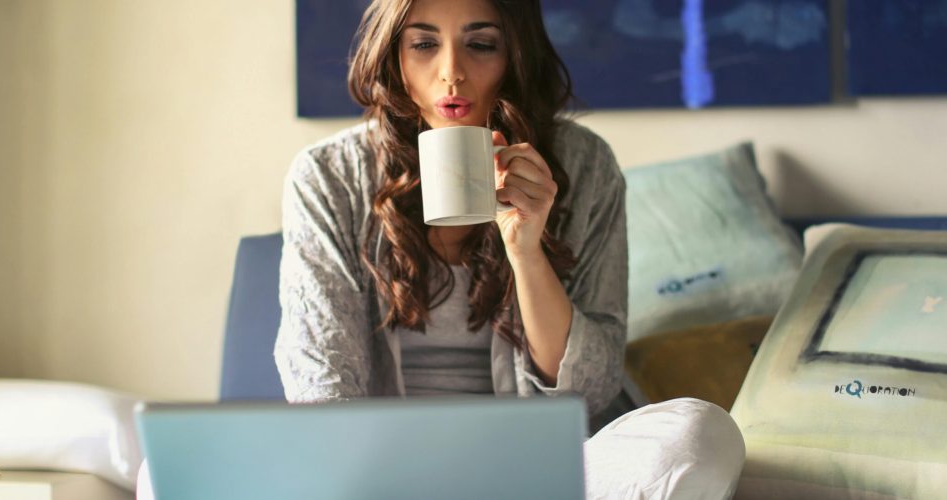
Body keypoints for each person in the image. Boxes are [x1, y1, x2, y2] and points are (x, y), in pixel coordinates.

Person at [138, 0, 743, 498]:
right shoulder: (328, 176)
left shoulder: (584, 167)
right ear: (394, 57)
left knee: (698, 434)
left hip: (535, 468)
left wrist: (526, 249)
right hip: (376, 470)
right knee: (166, 475)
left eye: (480, 44)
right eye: (424, 44)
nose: (452, 72)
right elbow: (321, 381)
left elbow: (590, 389)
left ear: (514, 54)